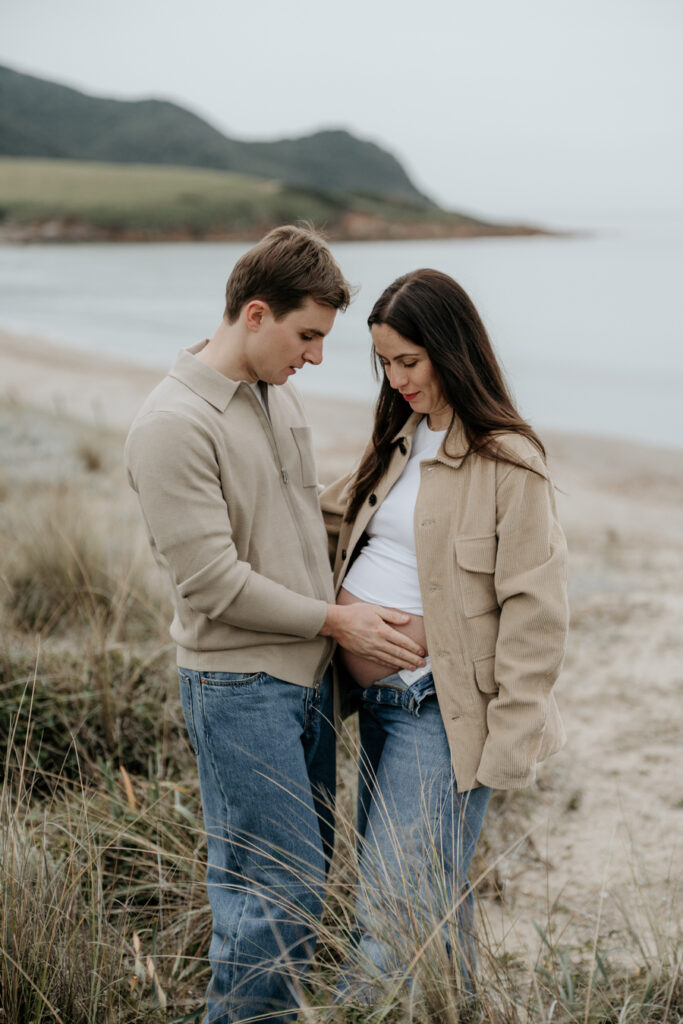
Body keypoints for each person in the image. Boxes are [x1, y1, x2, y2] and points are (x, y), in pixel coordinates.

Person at [124, 225, 426, 1024]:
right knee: (275, 888)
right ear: (255, 314)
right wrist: (339, 621)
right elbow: (212, 585)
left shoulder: (277, 393)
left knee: (301, 880)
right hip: (236, 687)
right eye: (307, 336)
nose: (316, 357)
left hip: (306, 683)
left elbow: (303, 522)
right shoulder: (171, 425)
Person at [322, 268, 569, 999]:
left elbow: (536, 612)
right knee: (430, 897)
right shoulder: (398, 440)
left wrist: (509, 743)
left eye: (409, 361)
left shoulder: (508, 461)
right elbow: (335, 522)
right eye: (385, 364)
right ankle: (454, 1009)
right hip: (376, 705)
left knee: (390, 906)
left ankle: (357, 1013)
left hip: (440, 711)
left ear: (451, 349)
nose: (396, 380)